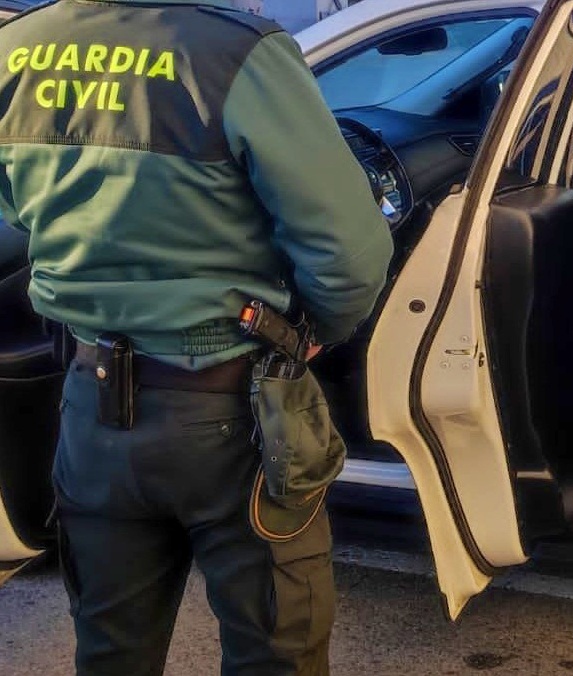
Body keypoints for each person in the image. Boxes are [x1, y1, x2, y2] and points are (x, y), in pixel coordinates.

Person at [0, 1, 392, 674]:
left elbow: (14, 225)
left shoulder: (17, 50)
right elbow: (350, 256)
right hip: (236, 417)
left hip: (92, 415)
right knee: (276, 651)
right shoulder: (238, 53)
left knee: (110, 653)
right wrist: (313, 334)